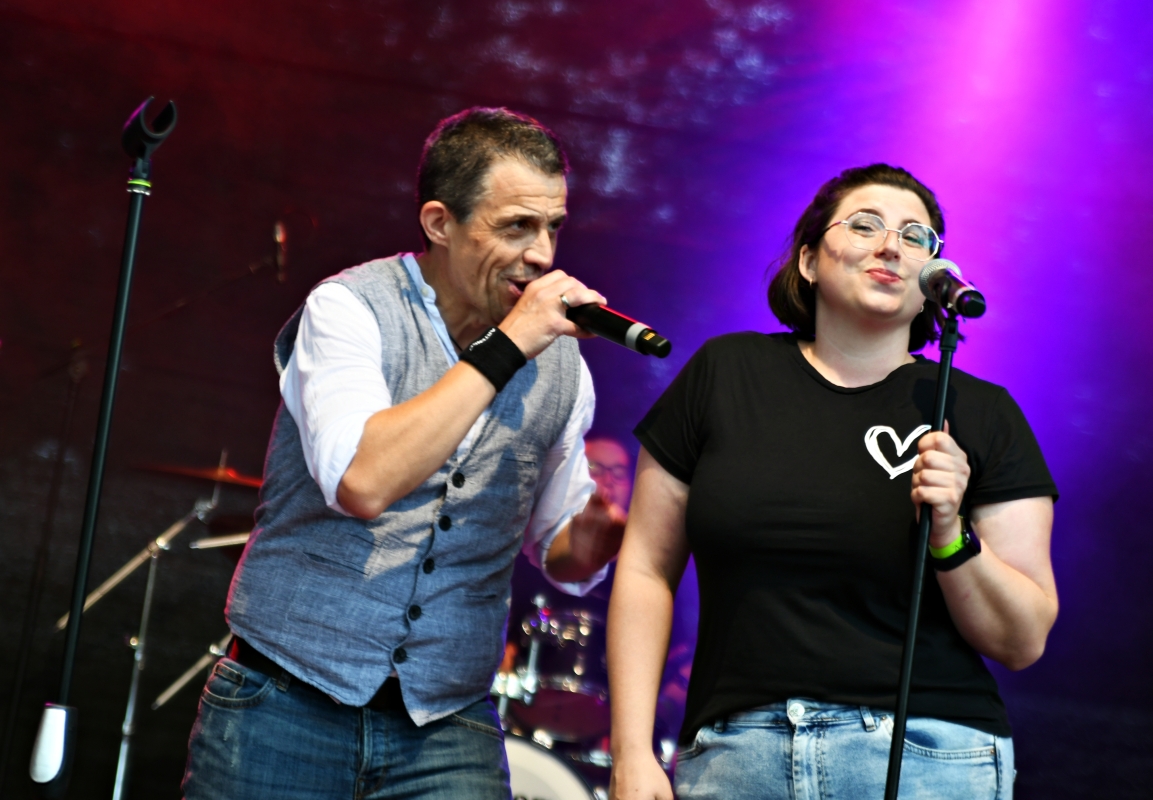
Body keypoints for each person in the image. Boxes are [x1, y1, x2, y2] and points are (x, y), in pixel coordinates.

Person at [182, 107, 625, 799]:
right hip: (288, 696)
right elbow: (363, 481)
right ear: (440, 223)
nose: (542, 254)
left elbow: (557, 549)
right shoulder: (349, 309)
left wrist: (601, 538)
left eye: (552, 227)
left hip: (447, 718)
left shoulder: (564, 369)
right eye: (516, 226)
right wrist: (509, 346)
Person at [607, 164, 1058, 799]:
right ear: (809, 260)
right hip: (740, 755)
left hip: (928, 756)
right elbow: (646, 570)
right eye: (866, 225)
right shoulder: (725, 373)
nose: (891, 246)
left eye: (915, 236)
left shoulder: (980, 411)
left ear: (933, 281)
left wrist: (951, 534)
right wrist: (631, 751)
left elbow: (1022, 639)